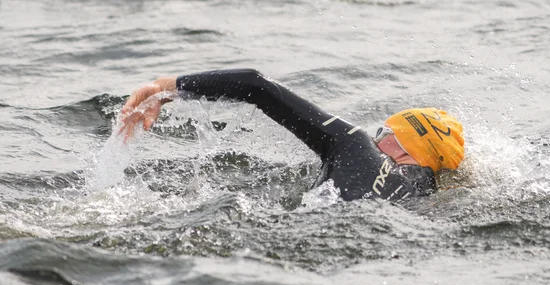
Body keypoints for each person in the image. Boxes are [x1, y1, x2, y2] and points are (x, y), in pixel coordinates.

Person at [119, 68, 464, 201]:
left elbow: (257, 85)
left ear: (402, 146)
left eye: (385, 131)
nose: (377, 137)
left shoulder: (355, 145)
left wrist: (165, 88)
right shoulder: (428, 193)